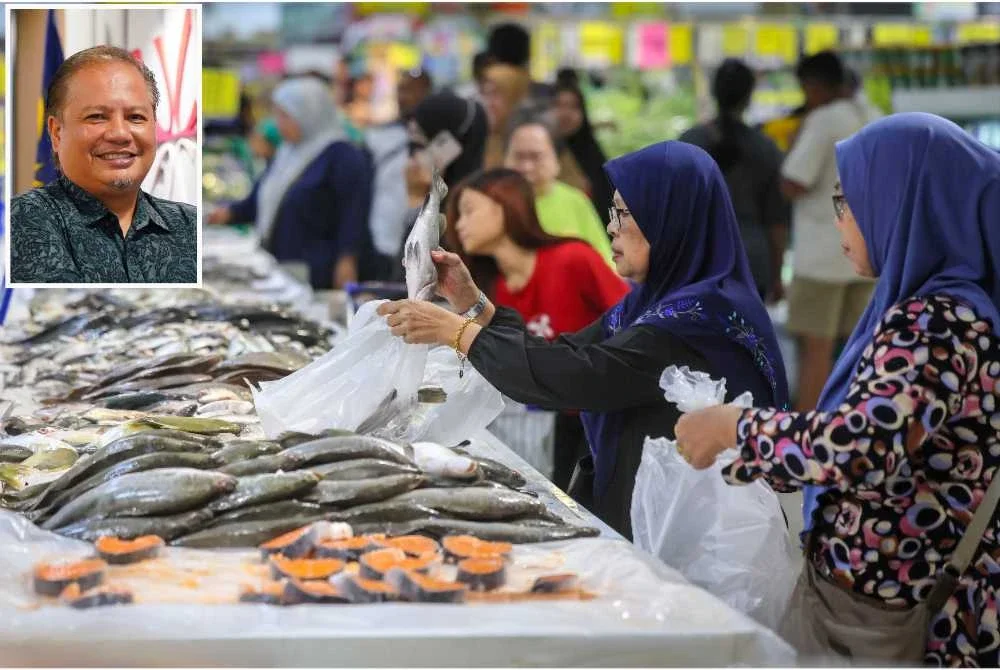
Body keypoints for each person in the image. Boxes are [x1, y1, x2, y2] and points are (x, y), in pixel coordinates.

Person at [674, 113, 1000, 666]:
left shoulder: (936, 322)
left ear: (903, 202)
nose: (840, 219)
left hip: (904, 621)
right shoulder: (938, 307)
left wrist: (735, 428)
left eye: (850, 201)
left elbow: (863, 445)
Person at [377, 141, 788, 538]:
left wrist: (454, 330)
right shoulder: (654, 302)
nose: (611, 227)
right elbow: (570, 352)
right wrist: (473, 304)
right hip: (659, 516)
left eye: (624, 214)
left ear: (670, 218)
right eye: (613, 211)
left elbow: (579, 377)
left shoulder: (698, 321)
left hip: (697, 538)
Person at [444, 167, 630, 489]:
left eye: (468, 211)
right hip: (544, 426)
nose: (459, 225)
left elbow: (634, 319)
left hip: (603, 419)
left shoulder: (573, 259)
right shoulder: (490, 288)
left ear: (507, 205)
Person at [10, 46, 197, 284]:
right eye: (97, 117)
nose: (120, 134)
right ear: (57, 133)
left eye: (136, 117)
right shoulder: (23, 220)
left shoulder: (189, 225)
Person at [207, 76, 371, 290]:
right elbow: (262, 196)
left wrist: (347, 261)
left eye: (285, 116)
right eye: (277, 115)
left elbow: (354, 214)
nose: (278, 124)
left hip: (318, 272)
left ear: (309, 114)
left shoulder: (342, 156)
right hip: (281, 266)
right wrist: (229, 213)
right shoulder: (288, 152)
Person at [782, 51, 871, 411]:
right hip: (866, 253)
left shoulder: (822, 120)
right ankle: (854, 423)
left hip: (821, 256)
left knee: (815, 349)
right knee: (857, 348)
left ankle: (807, 430)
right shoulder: (872, 113)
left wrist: (793, 141)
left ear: (813, 85)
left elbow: (794, 181)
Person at [680, 59, 789, 303]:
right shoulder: (765, 148)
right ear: (749, 97)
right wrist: (777, 276)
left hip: (699, 258)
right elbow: (777, 220)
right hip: (751, 260)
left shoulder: (688, 142)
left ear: (713, 92)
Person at [505, 118, 613, 265]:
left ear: (555, 159)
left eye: (535, 156)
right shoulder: (495, 202)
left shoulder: (575, 200)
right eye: (519, 157)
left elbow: (602, 258)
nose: (526, 167)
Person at [551, 82, 613, 226]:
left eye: (573, 107)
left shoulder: (593, 156)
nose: (565, 113)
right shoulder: (535, 154)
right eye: (558, 105)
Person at [481, 62, 531, 169]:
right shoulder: (473, 133)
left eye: (495, 94)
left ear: (513, 97)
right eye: (485, 94)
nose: (487, 102)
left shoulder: (532, 139)